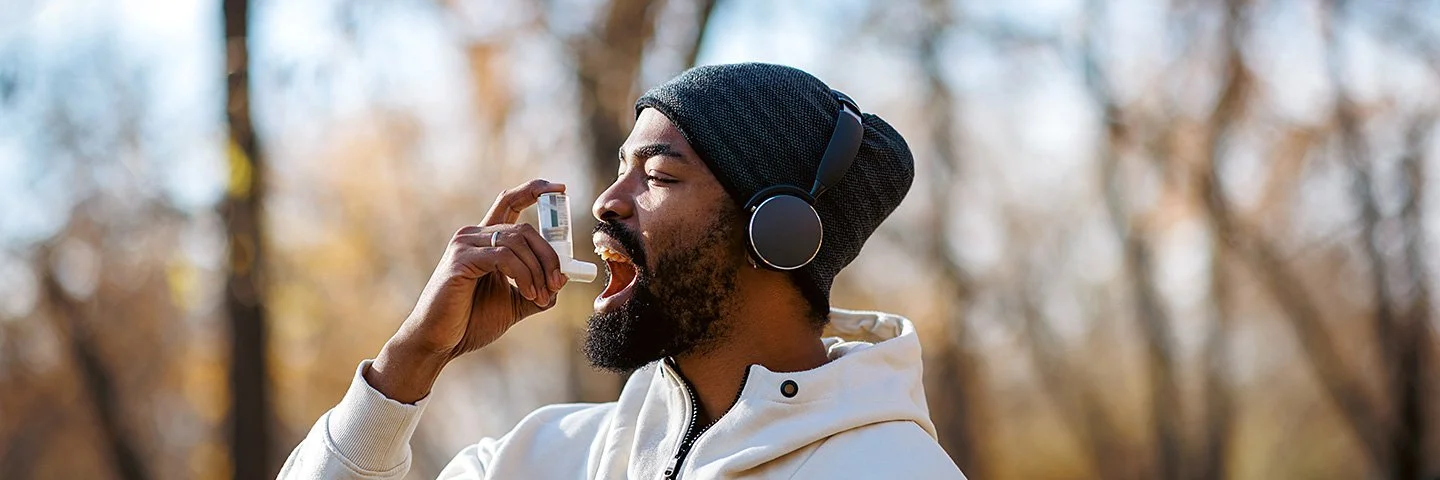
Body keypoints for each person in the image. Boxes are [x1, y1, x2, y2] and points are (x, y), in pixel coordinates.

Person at [279, 63, 966, 479]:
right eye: (620, 167)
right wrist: (411, 361)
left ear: (777, 232)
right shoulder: (539, 458)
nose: (608, 201)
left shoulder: (890, 471)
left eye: (659, 174)